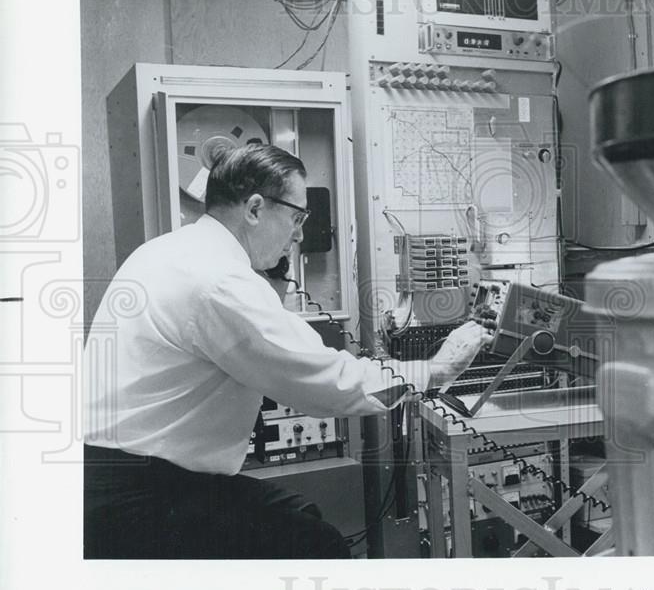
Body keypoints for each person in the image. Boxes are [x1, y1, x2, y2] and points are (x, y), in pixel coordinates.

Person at [83, 144, 489, 559]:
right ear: (255, 209)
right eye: (296, 217)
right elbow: (322, 383)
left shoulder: (171, 251)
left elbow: (283, 345)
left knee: (300, 521)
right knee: (316, 545)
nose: (298, 235)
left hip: (112, 479)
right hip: (140, 498)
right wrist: (435, 370)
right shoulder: (218, 279)